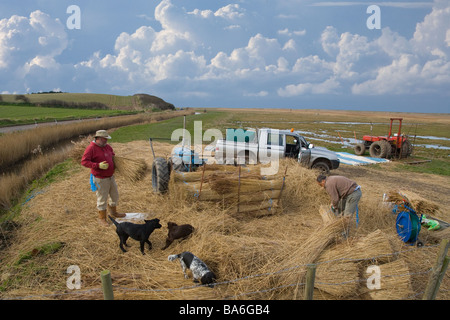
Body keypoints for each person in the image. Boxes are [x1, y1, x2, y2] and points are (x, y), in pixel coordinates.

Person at [81, 129, 125, 226]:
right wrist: (98, 165)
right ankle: (102, 218)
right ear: (99, 139)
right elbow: (84, 162)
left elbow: (112, 156)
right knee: (102, 198)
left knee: (114, 195)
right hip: (100, 178)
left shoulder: (107, 147)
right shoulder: (91, 148)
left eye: (106, 139)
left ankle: (113, 213)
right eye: (105, 139)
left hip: (110, 176)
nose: (106, 141)